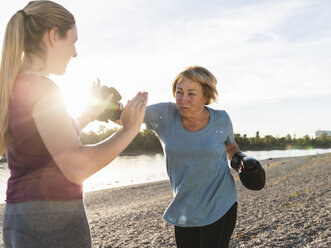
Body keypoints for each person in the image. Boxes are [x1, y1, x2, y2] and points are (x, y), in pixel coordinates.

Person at [0, 1, 147, 247]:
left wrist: (89, 114)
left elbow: (45, 143)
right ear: (53, 36)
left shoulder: (14, 86)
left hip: (18, 214)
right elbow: (76, 166)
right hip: (52, 217)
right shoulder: (43, 89)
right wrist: (129, 130)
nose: (75, 52)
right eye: (73, 41)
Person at [144, 66, 245, 248]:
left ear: (206, 97)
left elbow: (230, 148)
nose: (183, 100)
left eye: (191, 94)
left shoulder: (221, 120)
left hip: (220, 204)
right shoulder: (164, 115)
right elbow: (127, 117)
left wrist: (241, 162)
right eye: (179, 92)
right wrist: (109, 107)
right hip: (184, 208)